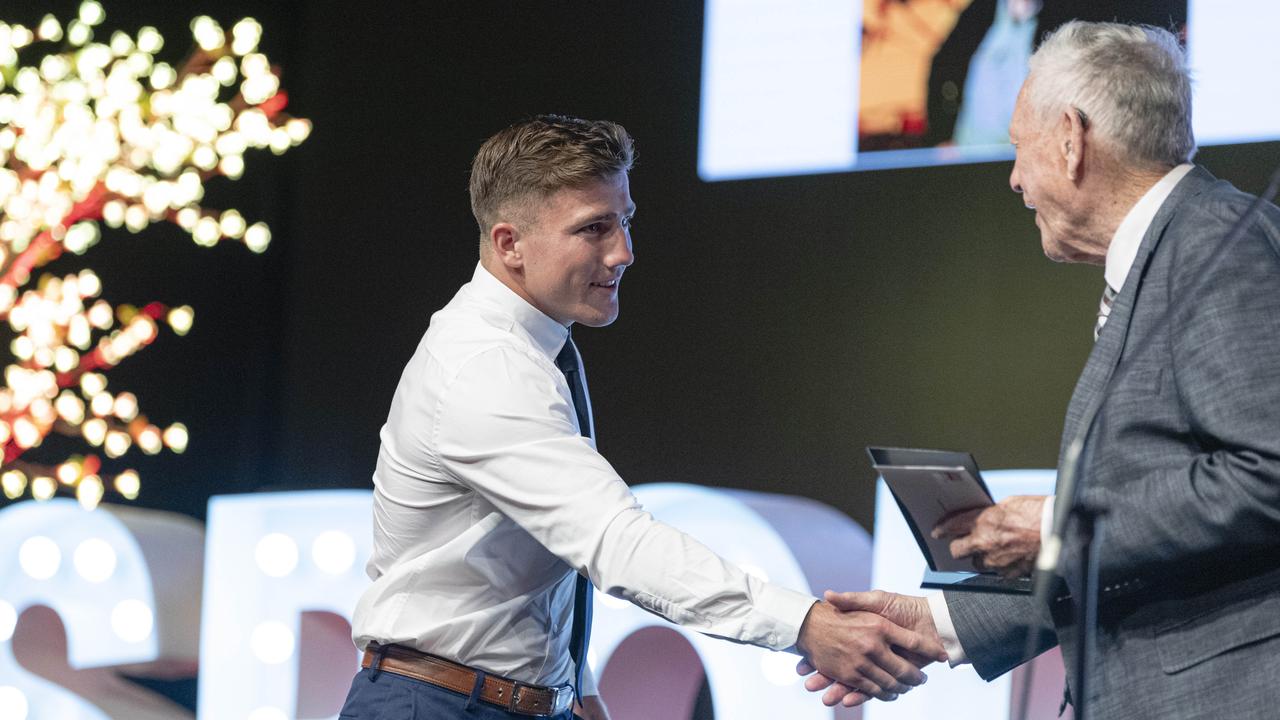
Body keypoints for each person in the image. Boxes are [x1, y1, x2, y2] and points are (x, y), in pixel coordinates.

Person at [338, 115, 947, 720]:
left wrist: (577, 689)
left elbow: (530, 561)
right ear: (509, 244)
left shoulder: (531, 348)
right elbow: (616, 543)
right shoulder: (487, 367)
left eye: (624, 220)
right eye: (594, 228)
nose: (624, 251)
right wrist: (807, 625)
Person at [804, 21, 1280, 717]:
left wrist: (1058, 529)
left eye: (1018, 146)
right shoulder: (1170, 254)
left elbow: (1268, 472)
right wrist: (937, 622)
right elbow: (1150, 548)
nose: (1014, 177)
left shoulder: (1214, 243)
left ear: (1070, 138)